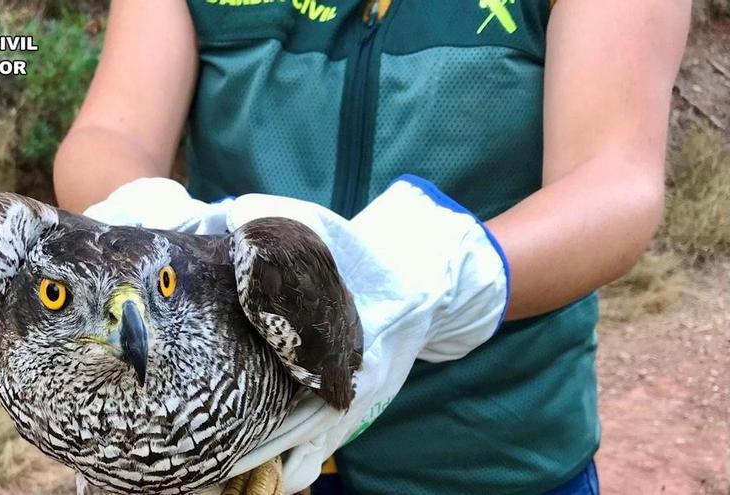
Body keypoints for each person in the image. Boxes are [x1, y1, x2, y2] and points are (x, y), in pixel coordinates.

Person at [53, 1, 690, 494]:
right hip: (224, 453)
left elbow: (613, 181)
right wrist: (155, 233)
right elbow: (111, 130)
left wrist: (438, 283)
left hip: (490, 455)